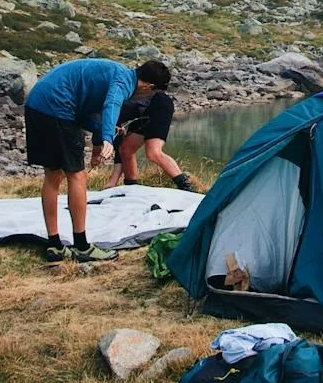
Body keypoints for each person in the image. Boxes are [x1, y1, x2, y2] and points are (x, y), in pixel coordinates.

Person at [20, 56, 172, 263]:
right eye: (151, 93)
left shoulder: (116, 72)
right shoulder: (123, 81)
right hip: (57, 107)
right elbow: (112, 104)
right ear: (149, 86)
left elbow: (79, 113)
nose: (146, 97)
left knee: (53, 174)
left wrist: (99, 128)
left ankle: (54, 245)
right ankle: (82, 247)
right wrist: (108, 137)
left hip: (36, 104)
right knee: (77, 176)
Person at [105, 62, 195, 192]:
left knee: (153, 152)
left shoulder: (112, 105)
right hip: (141, 111)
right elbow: (118, 142)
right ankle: (131, 187)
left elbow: (113, 134)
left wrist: (113, 181)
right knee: (125, 149)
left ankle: (186, 186)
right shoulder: (111, 108)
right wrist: (112, 182)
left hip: (159, 106)